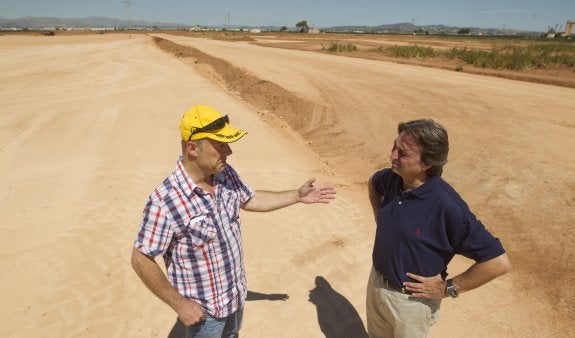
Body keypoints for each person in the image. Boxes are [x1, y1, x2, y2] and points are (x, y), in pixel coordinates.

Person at [131, 104, 337, 338]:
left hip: (234, 301)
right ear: (192, 148)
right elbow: (141, 258)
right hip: (205, 316)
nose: (229, 151)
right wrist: (180, 305)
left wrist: (296, 196)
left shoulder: (224, 174)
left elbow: (250, 199)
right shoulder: (165, 201)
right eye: (220, 145)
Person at [366, 119, 512, 338]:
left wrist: (448, 289)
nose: (393, 156)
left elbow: (498, 263)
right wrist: (382, 220)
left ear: (427, 163)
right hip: (377, 284)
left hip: (411, 305)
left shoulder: (447, 206)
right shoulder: (392, 179)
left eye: (403, 153)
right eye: (394, 146)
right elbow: (372, 183)